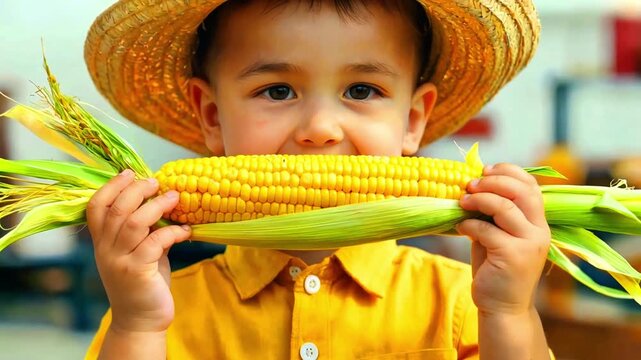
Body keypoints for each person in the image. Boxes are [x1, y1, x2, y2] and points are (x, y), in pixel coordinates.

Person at [83, 0, 553, 359]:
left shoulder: (463, 300)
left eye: (362, 90)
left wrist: (510, 313)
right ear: (212, 115)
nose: (320, 129)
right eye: (278, 90)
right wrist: (139, 326)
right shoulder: (156, 309)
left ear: (412, 121)